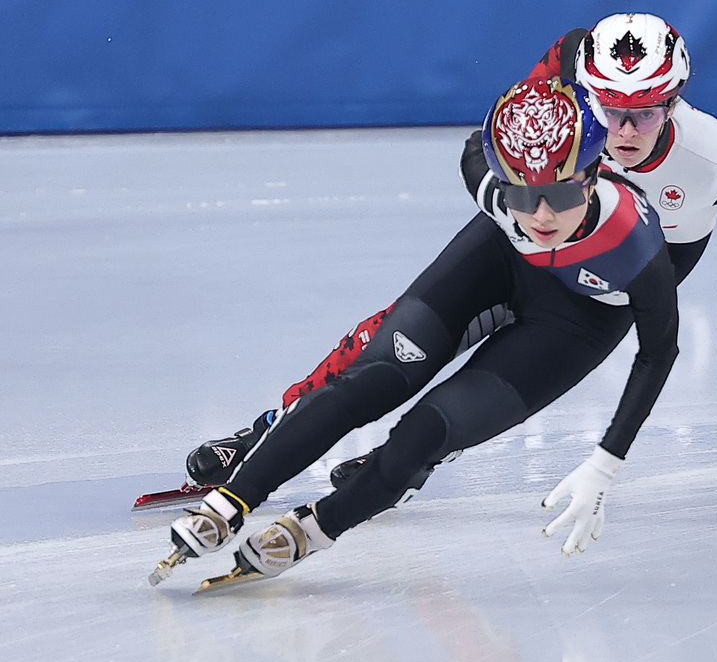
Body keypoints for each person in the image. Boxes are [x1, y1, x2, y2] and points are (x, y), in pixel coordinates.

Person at [173, 13, 717, 493]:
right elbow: (488, 139)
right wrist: (505, 207)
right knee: (388, 346)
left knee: (480, 392)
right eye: (608, 109)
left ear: (674, 102)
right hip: (527, 232)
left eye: (644, 115)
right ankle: (266, 432)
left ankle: (413, 454)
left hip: (604, 289)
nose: (621, 132)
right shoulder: (567, 64)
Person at [151, 76, 679, 585]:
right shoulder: (492, 185)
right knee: (369, 381)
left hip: (575, 320)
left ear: (593, 175)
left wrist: (606, 462)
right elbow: (483, 144)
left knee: (425, 433)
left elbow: (659, 353)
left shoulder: (634, 247)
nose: (540, 215)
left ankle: (312, 531)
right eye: (522, 196)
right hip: (500, 260)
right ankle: (229, 501)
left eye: (561, 197)